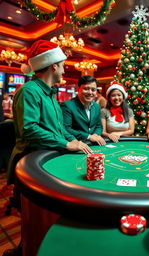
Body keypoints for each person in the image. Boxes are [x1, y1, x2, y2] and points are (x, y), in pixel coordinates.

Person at [3, 40, 92, 256]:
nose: (64, 68)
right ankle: (24, 251)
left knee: (46, 216)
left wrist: (79, 142)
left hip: (46, 159)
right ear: (53, 66)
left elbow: (59, 130)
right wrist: (65, 143)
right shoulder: (29, 91)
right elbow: (30, 130)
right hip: (29, 162)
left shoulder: (50, 93)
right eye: (62, 64)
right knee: (32, 218)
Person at [61, 76, 106, 146]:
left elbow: (99, 126)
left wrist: (95, 135)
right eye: (86, 89)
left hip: (94, 144)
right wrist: (89, 136)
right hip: (76, 146)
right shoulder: (67, 105)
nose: (90, 92)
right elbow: (66, 129)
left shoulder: (96, 106)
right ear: (79, 89)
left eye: (93, 90)